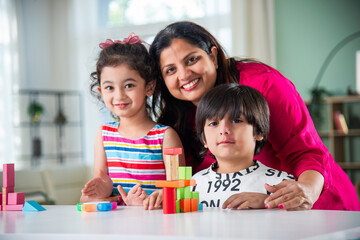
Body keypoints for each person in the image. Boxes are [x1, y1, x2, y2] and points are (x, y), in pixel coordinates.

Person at [149, 21, 360, 211]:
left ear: (213, 56)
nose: (184, 75)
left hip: (316, 206)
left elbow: (304, 151)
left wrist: (306, 190)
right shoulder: (180, 113)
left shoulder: (263, 85)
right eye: (170, 70)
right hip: (250, 218)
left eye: (192, 59)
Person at [80, 33, 185, 209]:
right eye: (109, 88)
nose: (119, 95)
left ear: (149, 87)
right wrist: (98, 190)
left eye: (129, 85)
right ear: (101, 91)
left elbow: (180, 186)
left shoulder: (165, 136)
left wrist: (161, 196)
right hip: (117, 225)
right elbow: (103, 178)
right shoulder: (104, 134)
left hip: (155, 222)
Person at [193, 83, 295, 209]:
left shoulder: (281, 184)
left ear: (259, 132)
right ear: (204, 139)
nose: (223, 130)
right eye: (214, 123)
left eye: (236, 121)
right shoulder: (192, 185)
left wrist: (270, 203)